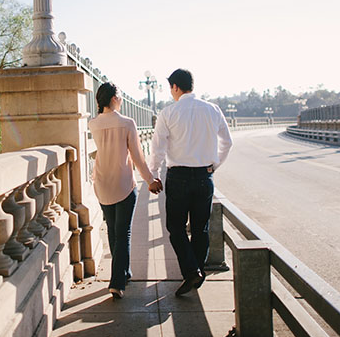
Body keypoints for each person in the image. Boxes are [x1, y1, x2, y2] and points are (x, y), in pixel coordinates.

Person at [149, 68, 233, 296]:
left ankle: (192, 271)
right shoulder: (213, 110)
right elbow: (227, 142)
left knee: (175, 228)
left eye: (171, 89)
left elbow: (158, 148)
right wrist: (213, 166)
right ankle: (196, 273)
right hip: (204, 177)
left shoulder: (168, 113)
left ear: (175, 87)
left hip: (179, 177)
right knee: (200, 229)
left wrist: (153, 174)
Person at [89, 82, 163, 300]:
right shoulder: (127, 123)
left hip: (102, 182)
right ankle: (117, 282)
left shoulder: (93, 123)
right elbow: (137, 156)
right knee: (123, 233)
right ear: (114, 98)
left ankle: (124, 272)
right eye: (119, 96)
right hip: (123, 183)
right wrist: (150, 180)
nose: (121, 99)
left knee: (113, 231)